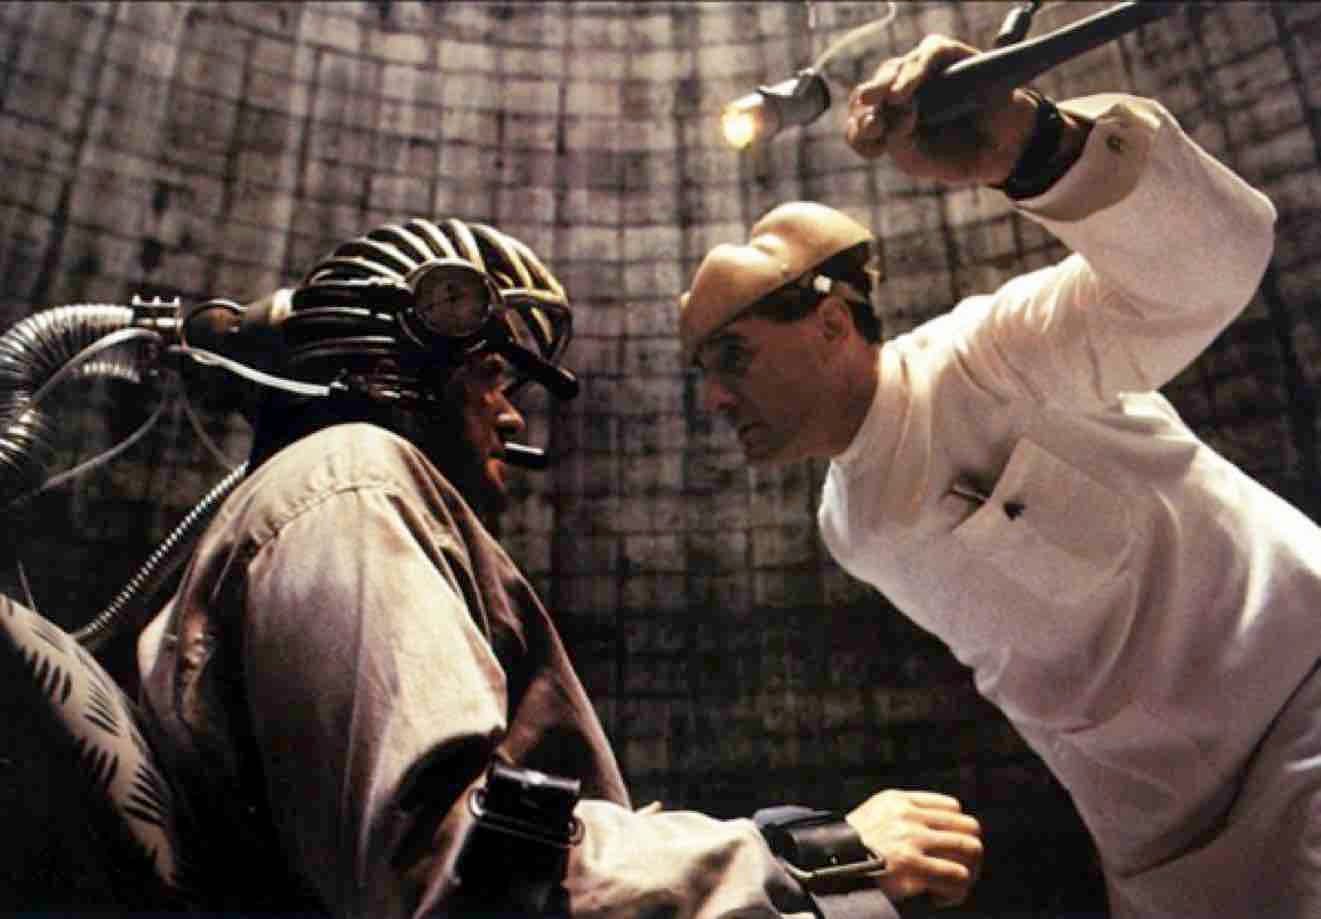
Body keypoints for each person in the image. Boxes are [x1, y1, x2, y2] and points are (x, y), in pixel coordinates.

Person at [135, 216, 983, 917]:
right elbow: (450, 867)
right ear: (401, 361)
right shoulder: (353, 479)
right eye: (490, 374)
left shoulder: (335, 498)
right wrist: (811, 858)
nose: (510, 415)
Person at [679, 32, 1318, 919]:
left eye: (733, 357)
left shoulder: (989, 356)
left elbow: (1209, 265)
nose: (714, 398)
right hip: (1158, 850)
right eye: (704, 371)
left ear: (829, 325)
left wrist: (1031, 145)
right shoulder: (846, 525)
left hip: (1301, 715)